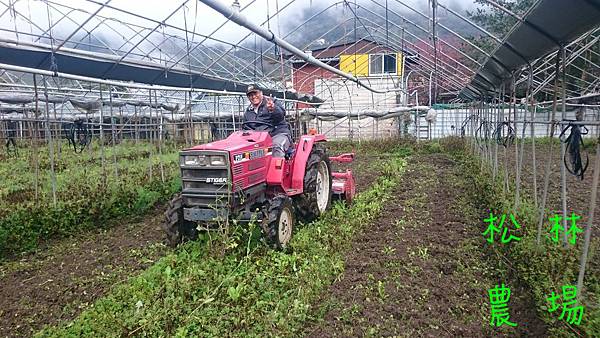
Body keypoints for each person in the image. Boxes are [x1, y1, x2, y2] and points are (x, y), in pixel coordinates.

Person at [243, 84, 292, 158]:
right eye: (250, 95)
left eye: (255, 93)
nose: (253, 97)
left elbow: (281, 115)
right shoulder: (248, 112)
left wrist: (273, 109)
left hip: (277, 134)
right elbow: (246, 128)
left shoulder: (272, 103)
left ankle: (276, 168)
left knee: (276, 146)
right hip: (259, 139)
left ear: (261, 93)